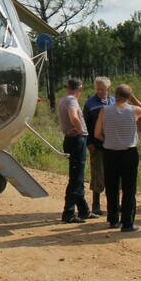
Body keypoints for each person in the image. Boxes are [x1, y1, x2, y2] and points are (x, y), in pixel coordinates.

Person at [94, 84, 141, 232]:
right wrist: (134, 98)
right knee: (129, 188)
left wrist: (107, 138)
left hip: (110, 152)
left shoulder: (104, 110)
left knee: (112, 187)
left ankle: (113, 219)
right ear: (128, 97)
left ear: (115, 95)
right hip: (129, 152)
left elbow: (97, 133)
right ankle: (128, 222)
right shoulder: (133, 110)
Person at [56, 78, 97, 223]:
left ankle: (84, 211)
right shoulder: (72, 101)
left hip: (70, 139)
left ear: (68, 87)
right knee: (76, 178)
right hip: (76, 140)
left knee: (77, 176)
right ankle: (68, 213)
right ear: (80, 89)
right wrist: (80, 129)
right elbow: (73, 116)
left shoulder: (63, 100)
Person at [83, 76, 114, 216]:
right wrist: (88, 142)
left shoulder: (114, 101)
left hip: (113, 145)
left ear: (108, 88)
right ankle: (96, 205)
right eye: (98, 89)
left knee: (113, 175)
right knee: (97, 175)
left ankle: (114, 204)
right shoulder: (90, 104)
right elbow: (85, 125)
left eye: (103, 89)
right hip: (97, 145)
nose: (100, 91)